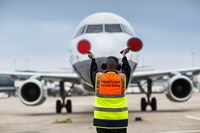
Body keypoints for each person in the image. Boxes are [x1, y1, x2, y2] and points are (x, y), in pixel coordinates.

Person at [87, 48, 131, 133]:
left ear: (104, 65)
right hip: (120, 120)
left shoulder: (98, 78)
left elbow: (93, 70)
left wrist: (93, 59)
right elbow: (127, 69)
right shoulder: (122, 78)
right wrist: (124, 56)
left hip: (101, 120)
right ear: (118, 66)